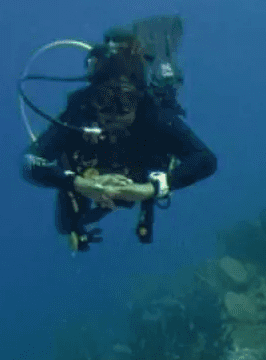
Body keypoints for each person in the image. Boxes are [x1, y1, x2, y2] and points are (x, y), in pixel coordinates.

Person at [21, 19, 217, 252]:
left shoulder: (151, 115)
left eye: (124, 101)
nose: (112, 113)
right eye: (102, 100)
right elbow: (30, 162)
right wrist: (80, 184)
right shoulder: (79, 113)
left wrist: (149, 190)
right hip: (87, 178)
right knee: (66, 226)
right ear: (91, 97)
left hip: (144, 173)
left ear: (137, 98)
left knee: (166, 94)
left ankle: (162, 64)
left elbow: (205, 160)